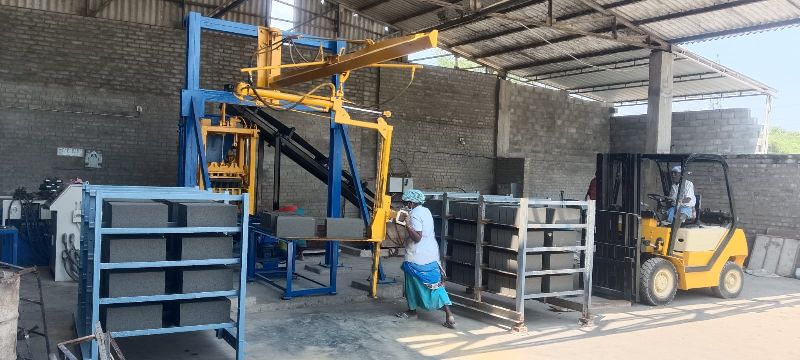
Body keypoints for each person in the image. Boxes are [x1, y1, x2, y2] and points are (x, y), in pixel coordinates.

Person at [394, 189, 456, 329]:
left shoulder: (414, 215)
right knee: (437, 286)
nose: (405, 205)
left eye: (405, 203)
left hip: (417, 258)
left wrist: (407, 224)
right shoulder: (426, 211)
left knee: (411, 286)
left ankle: (412, 311)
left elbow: (417, 237)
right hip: (431, 256)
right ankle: (449, 314)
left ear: (410, 203)